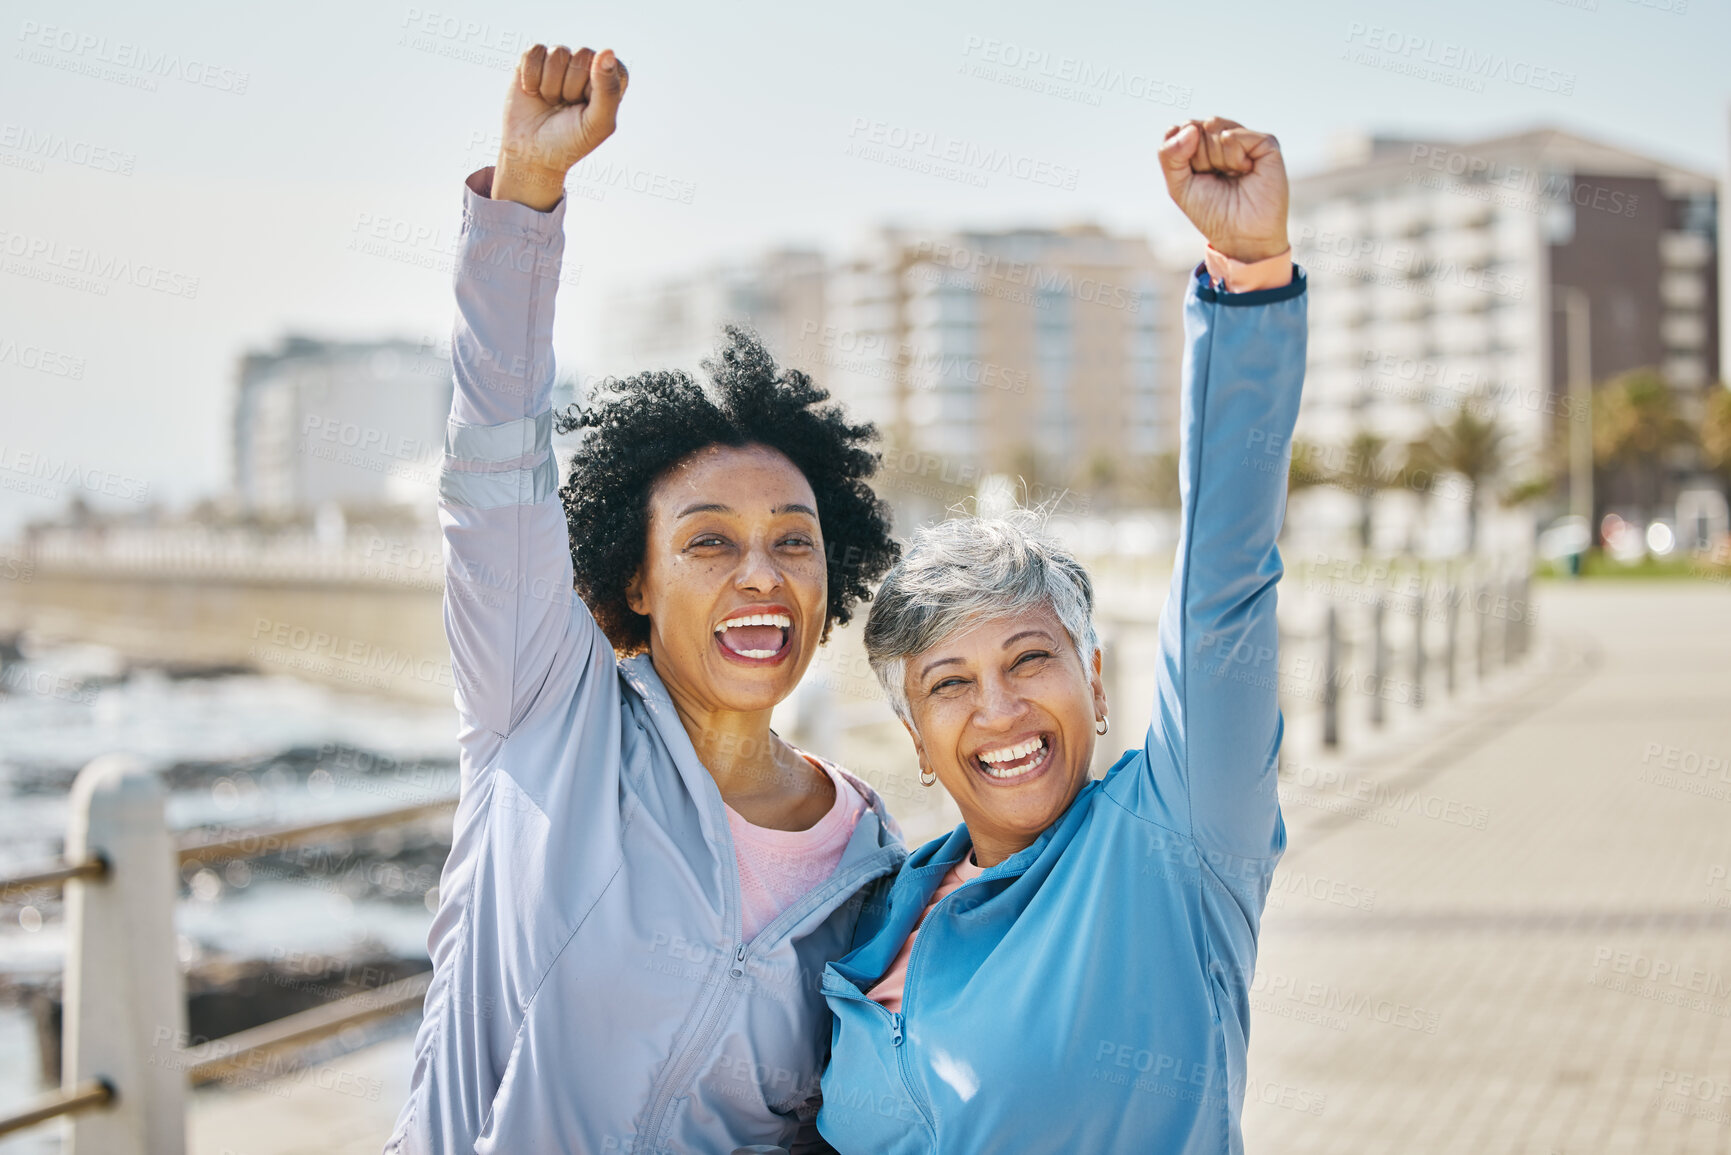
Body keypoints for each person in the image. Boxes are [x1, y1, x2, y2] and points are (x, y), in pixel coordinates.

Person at [386, 43, 906, 1154]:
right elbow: (493, 469)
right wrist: (525, 200)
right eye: (709, 542)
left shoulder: (867, 859)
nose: (759, 573)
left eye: (794, 543)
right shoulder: (543, 716)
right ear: (636, 575)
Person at [814, 118, 1306, 1152]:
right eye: (947, 684)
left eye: (1030, 659)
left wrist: (1248, 279)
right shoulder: (880, 909)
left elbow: (1225, 585)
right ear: (912, 733)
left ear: (1095, 678)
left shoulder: (1174, 842)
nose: (998, 710)